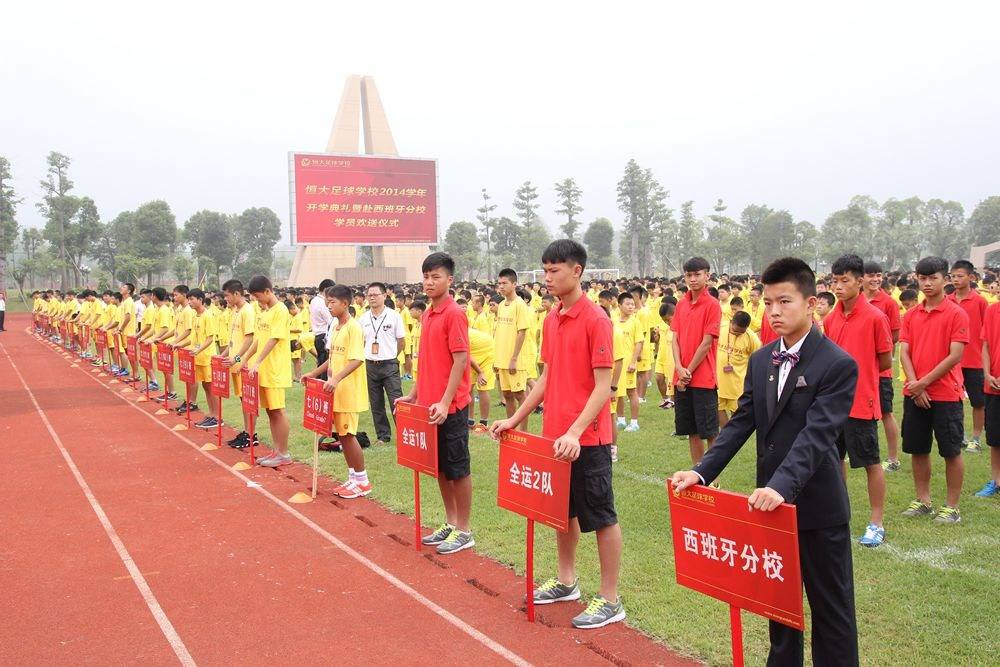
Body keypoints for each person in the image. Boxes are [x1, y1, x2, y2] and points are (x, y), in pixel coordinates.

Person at [671, 257, 860, 666]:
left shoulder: (837, 364)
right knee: (780, 611)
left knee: (832, 612)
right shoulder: (762, 360)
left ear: (811, 304)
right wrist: (702, 471)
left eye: (785, 302)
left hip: (816, 509)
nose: (774, 312)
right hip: (769, 510)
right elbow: (741, 423)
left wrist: (781, 485)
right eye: (769, 302)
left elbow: (817, 435)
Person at [491, 239, 624, 630]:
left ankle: (611, 599)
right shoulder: (551, 318)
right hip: (556, 439)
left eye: (554, 271)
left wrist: (576, 430)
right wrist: (515, 418)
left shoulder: (596, 319)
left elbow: (604, 387)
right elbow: (547, 377)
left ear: (577, 271)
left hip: (589, 439)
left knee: (601, 516)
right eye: (545, 270)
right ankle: (567, 581)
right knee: (561, 515)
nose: (547, 278)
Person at [396, 252, 474, 556]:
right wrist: (415, 394)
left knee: (458, 468)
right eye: (426, 277)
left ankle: (465, 529)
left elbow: (460, 361)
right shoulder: (427, 314)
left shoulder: (454, 313)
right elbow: (429, 362)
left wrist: (444, 401)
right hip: (429, 404)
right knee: (440, 468)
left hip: (450, 407)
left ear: (449, 280)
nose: (429, 282)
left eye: (436, 277)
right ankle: (451, 521)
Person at [824, 254, 893, 547]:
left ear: (861, 281)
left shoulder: (876, 317)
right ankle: (839, 514)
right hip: (832, 403)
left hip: (861, 401)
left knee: (870, 462)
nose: (838, 287)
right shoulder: (830, 318)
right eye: (835, 281)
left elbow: (885, 359)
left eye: (845, 281)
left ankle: (876, 523)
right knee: (833, 460)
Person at [899, 257, 968, 524]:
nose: (927, 284)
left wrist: (922, 383)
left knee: (951, 451)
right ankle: (923, 500)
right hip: (916, 392)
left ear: (945, 279)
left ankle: (952, 506)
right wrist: (915, 385)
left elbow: (955, 355)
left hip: (946, 394)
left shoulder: (956, 313)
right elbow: (904, 351)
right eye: (922, 278)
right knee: (918, 449)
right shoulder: (912, 314)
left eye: (933, 278)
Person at [301, 284, 372, 498]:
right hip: (335, 390)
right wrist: (314, 373)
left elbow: (356, 360)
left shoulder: (354, 327)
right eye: (327, 302)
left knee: (348, 436)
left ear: (345, 303)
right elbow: (331, 358)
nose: (328, 306)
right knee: (341, 436)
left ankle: (363, 481)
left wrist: (337, 378)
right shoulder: (336, 326)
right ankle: (353, 478)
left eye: (332, 303)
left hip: (348, 391)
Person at [672, 257, 722, 463]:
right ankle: (697, 473)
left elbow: (707, 342)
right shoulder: (681, 304)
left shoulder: (712, 305)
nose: (692, 279)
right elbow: (673, 337)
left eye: (697, 274)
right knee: (691, 430)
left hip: (702, 378)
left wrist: (688, 370)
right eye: (689, 275)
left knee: (710, 431)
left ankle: (713, 479)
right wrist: (678, 368)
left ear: (707, 276)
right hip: (682, 377)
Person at [863, 262, 904, 473]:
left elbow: (895, 335)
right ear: (861, 278)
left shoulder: (888, 303)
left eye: (878, 275)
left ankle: (893, 458)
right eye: (871, 275)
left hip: (881, 370)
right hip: (860, 370)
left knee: (886, 412)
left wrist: (878, 350)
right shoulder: (856, 301)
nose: (876, 279)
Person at [947, 260, 988, 453]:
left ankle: (976, 437)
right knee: (955, 399)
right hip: (952, 360)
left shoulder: (980, 301)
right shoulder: (947, 300)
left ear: (971, 277)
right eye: (953, 276)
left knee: (978, 401)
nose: (955, 279)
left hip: (975, 360)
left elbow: (986, 331)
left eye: (960, 276)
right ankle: (960, 434)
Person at [360, 282, 406, 444]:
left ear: (384, 296)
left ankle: (404, 434)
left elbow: (401, 341)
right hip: (371, 364)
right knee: (376, 402)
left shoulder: (394, 316)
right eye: (369, 295)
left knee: (396, 400)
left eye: (375, 294)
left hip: (389, 364)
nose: (372, 297)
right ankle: (383, 436)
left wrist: (392, 355)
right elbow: (361, 341)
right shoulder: (364, 318)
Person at [222, 279, 257, 449]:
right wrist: (224, 355)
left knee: (248, 399)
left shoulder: (247, 311)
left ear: (237, 293)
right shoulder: (236, 311)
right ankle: (247, 432)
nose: (226, 299)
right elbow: (234, 340)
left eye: (227, 295)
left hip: (244, 363)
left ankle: (251, 434)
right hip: (235, 363)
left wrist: (237, 359)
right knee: (243, 399)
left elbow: (250, 339)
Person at [494, 268, 532, 428]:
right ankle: (511, 428)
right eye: (499, 283)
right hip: (501, 359)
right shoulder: (502, 304)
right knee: (507, 395)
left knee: (520, 394)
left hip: (514, 360)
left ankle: (524, 432)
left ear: (514, 284)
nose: (501, 286)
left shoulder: (520, 305)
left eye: (505, 283)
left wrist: (514, 358)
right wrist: (496, 359)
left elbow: (521, 332)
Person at [716, 310, 761, 428]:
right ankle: (726, 435)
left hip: (737, 384)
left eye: (741, 333)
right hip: (718, 381)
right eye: (735, 331)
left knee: (737, 414)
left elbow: (757, 361)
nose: (737, 334)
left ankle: (731, 435)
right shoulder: (720, 327)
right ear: (731, 322)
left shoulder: (752, 338)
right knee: (717, 408)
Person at [976, 296, 1000, 497]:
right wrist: (987, 374)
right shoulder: (993, 311)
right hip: (993, 385)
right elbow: (985, 346)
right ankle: (996, 481)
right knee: (995, 437)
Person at [615, 291, 642, 432]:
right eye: (628, 304)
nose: (631, 307)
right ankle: (620, 419)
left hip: (629, 363)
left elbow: (639, 343)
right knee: (618, 392)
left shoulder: (635, 322)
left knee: (631, 392)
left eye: (632, 304)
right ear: (620, 305)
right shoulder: (614, 320)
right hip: (617, 363)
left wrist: (633, 362)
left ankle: (634, 422)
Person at [310, 278, 335, 379]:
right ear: (326, 290)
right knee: (325, 365)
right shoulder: (322, 302)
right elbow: (331, 320)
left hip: (318, 335)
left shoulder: (314, 301)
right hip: (324, 336)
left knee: (321, 363)